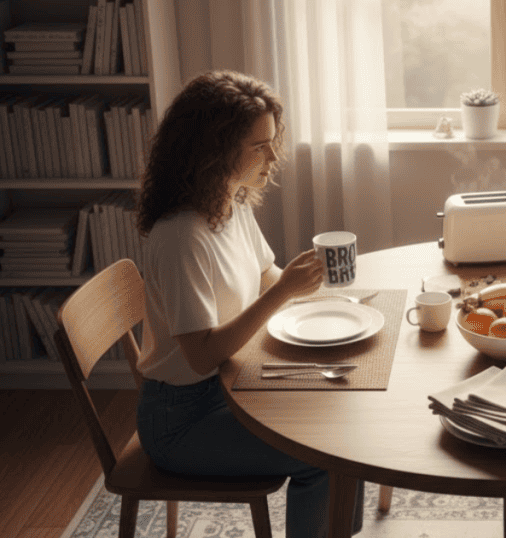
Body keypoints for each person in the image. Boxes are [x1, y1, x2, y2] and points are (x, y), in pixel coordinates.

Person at [134, 70, 363, 537]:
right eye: (259, 146)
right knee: (329, 455)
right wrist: (284, 294)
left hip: (230, 382)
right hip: (182, 420)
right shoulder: (182, 236)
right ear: (213, 150)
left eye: (272, 141)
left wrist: (326, 301)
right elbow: (200, 354)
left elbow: (265, 275)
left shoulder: (229, 200)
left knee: (345, 413)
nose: (273, 155)